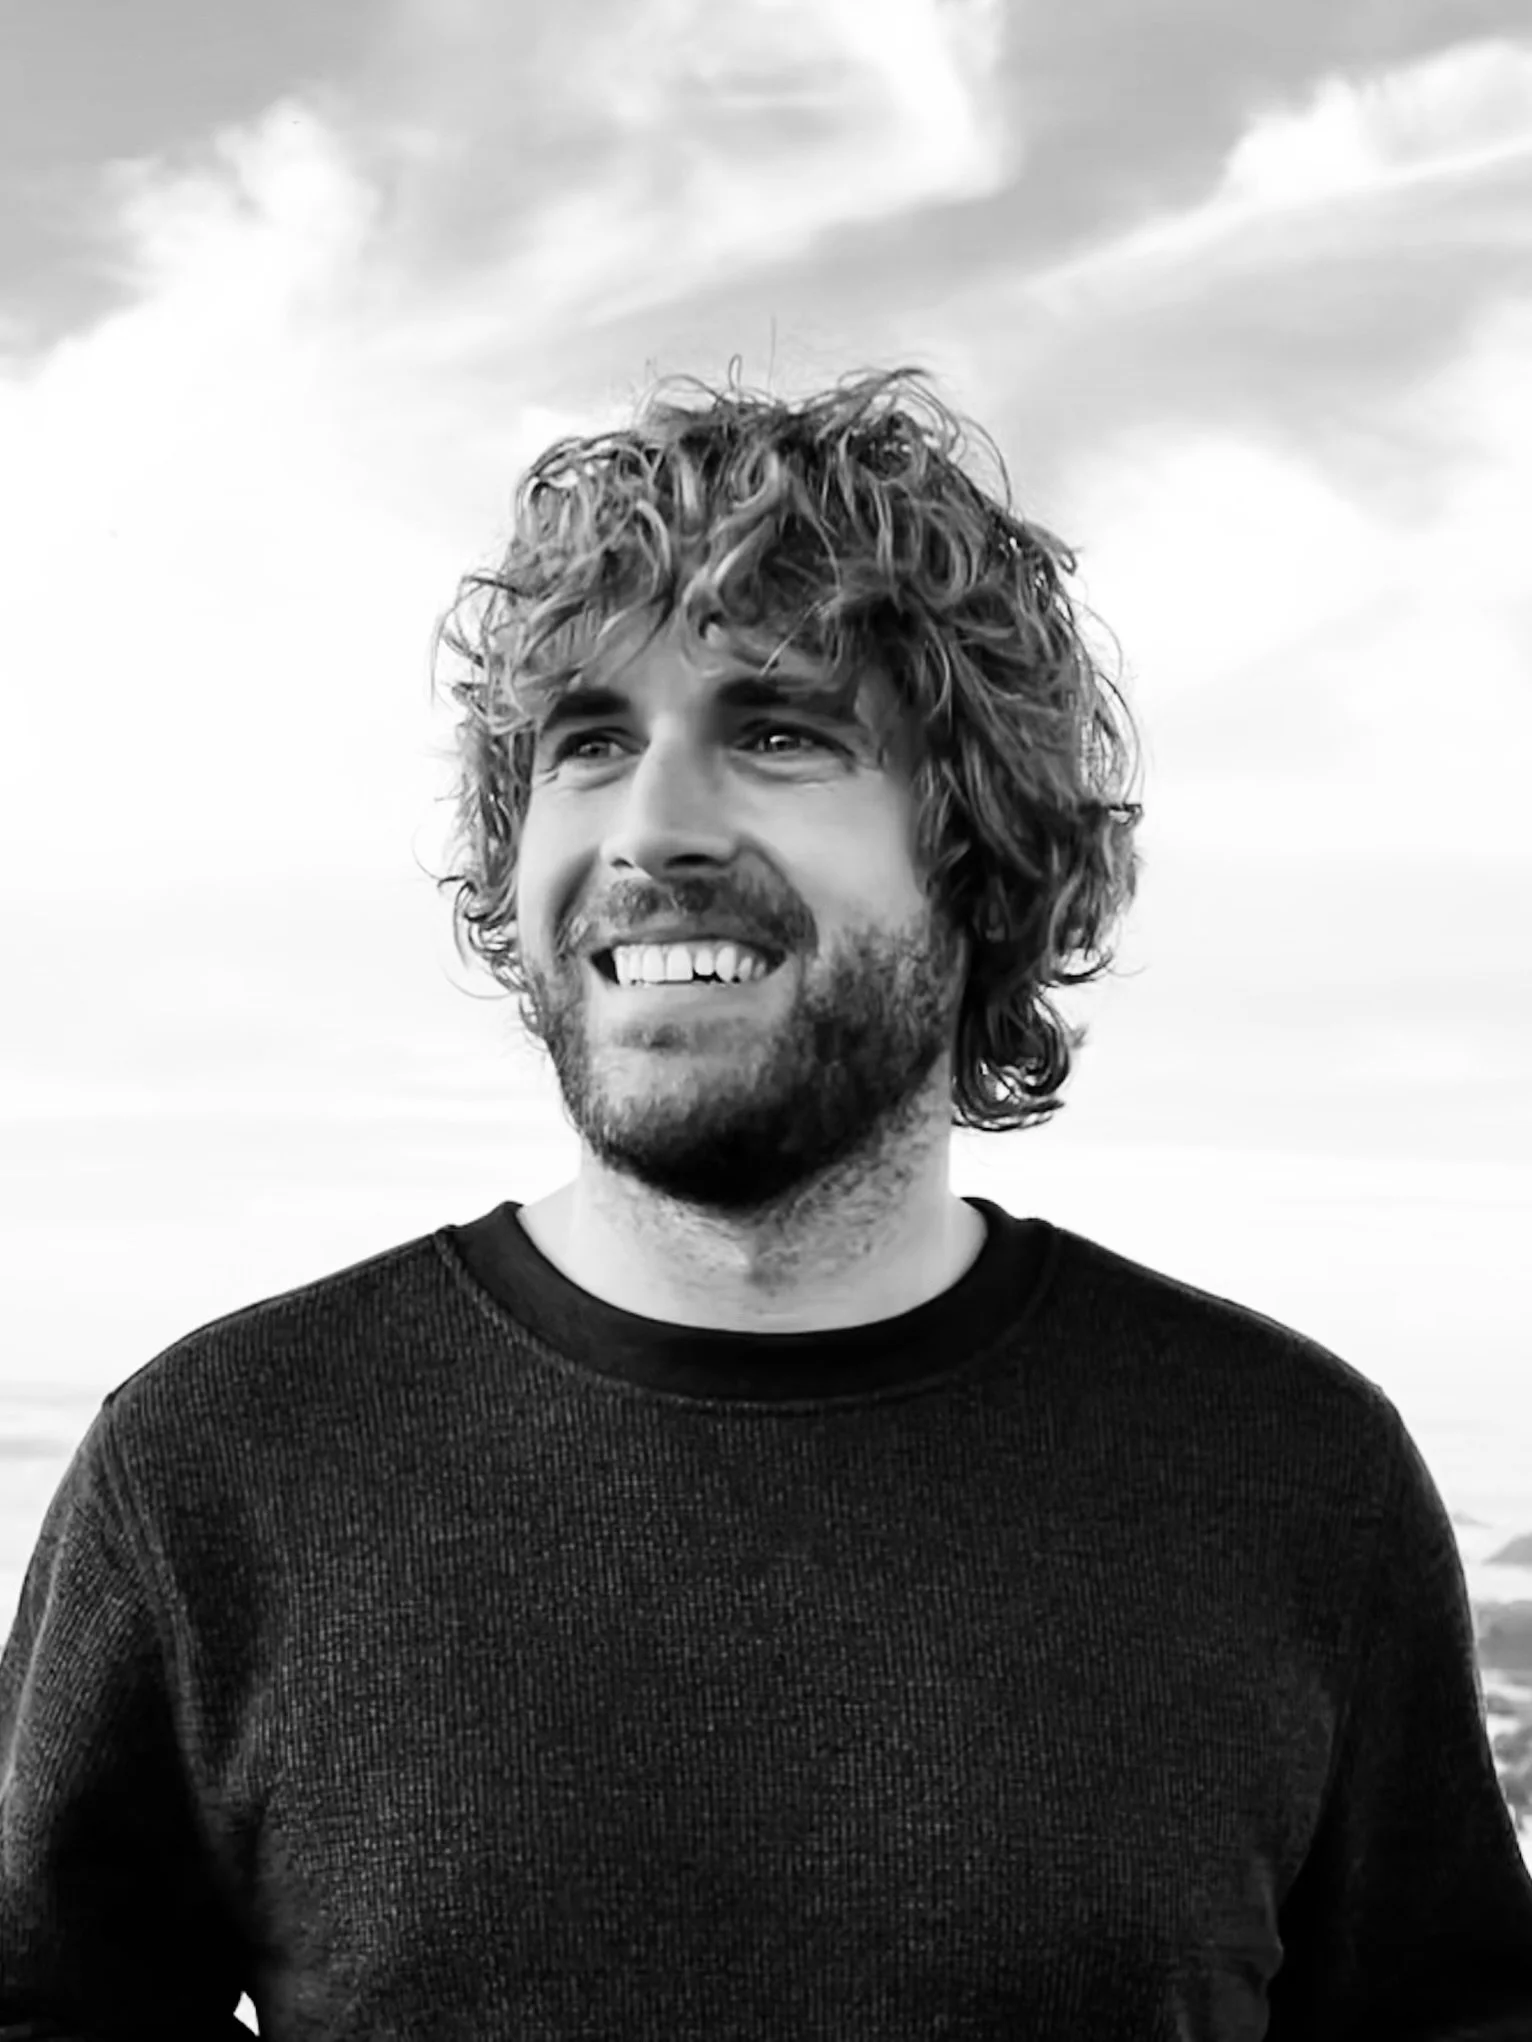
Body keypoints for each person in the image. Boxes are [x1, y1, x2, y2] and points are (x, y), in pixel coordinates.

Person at [2, 364, 1529, 2041]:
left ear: (985, 855)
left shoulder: (1296, 1480)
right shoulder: (217, 1472)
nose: (652, 828)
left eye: (780, 731)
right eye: (591, 743)